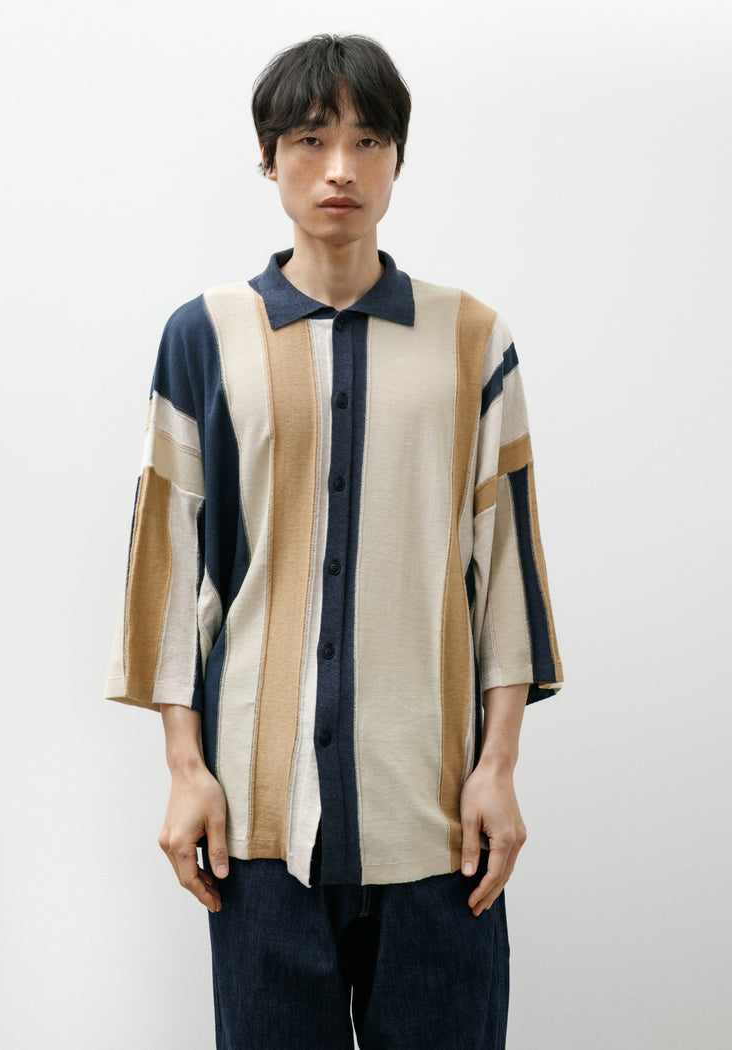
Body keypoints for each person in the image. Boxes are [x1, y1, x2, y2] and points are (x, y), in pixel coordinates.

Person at [106, 33, 563, 1050]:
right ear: (269, 159)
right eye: (310, 140)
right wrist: (184, 769)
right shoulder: (203, 336)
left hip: (436, 823)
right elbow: (167, 572)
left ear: (399, 158)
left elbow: (504, 577)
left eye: (367, 140)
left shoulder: (472, 340)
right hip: (257, 828)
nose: (340, 169)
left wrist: (497, 768)